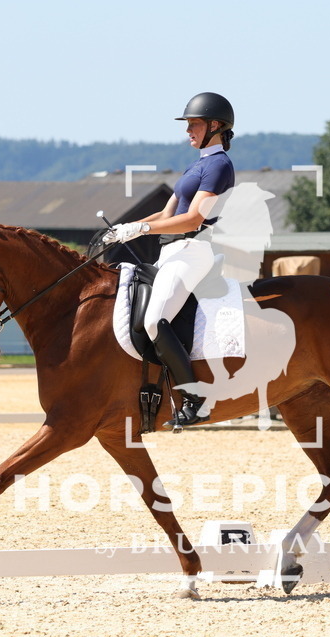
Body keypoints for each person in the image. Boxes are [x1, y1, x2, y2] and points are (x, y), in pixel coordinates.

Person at [102, 92, 236, 427]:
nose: (188, 130)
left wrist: (142, 228)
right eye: (188, 124)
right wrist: (127, 229)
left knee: (154, 320)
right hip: (172, 251)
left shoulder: (219, 166)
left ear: (215, 126)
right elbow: (167, 212)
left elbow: (192, 220)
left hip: (194, 249)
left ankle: (195, 397)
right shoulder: (197, 164)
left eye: (195, 124)